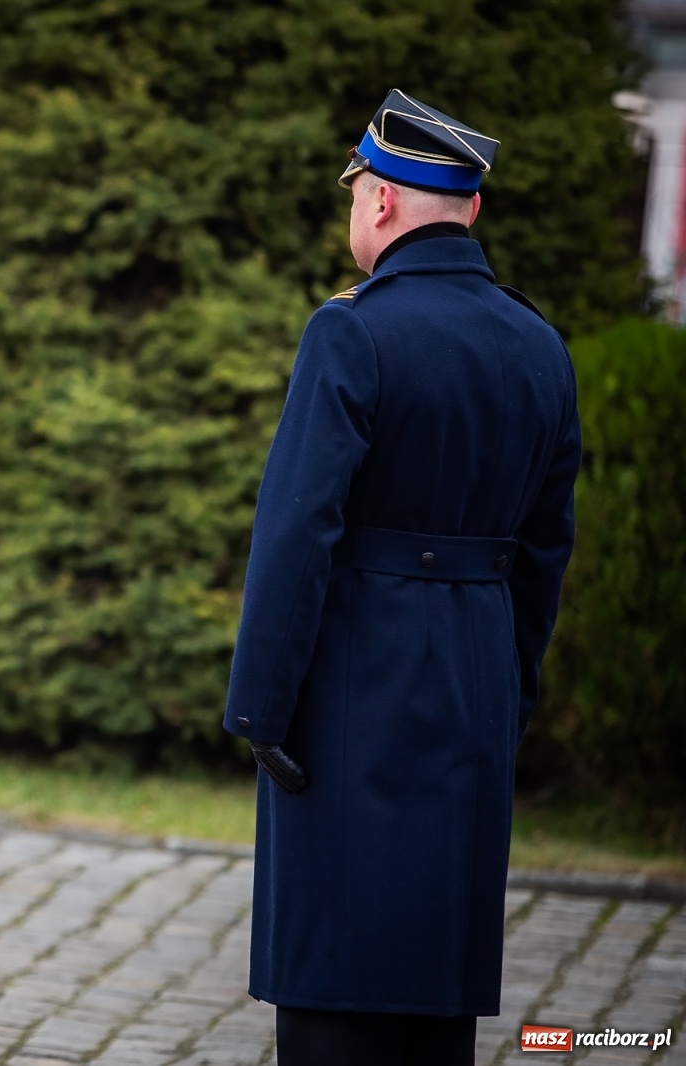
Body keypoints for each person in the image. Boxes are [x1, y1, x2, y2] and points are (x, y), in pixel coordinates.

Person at [222, 90, 581, 1066]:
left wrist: (258, 708)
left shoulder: (351, 332)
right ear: (467, 208)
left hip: (351, 690)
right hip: (473, 680)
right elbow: (545, 551)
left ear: (378, 203)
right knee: (433, 1005)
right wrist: (510, 690)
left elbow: (297, 533)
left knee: (337, 992)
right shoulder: (539, 347)